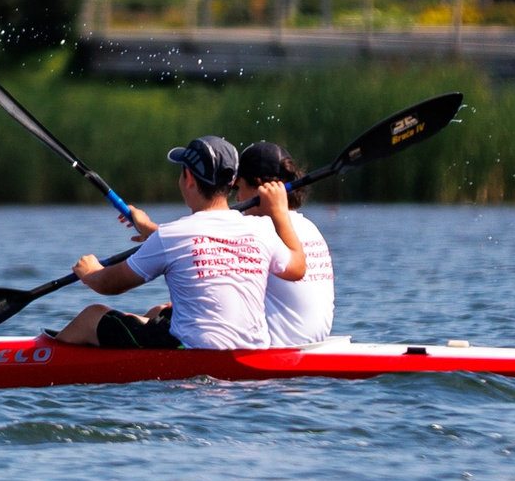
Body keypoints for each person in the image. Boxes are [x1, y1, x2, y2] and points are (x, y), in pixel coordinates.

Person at [48, 134, 305, 351]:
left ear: (189, 178)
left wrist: (90, 273)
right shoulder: (259, 228)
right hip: (252, 350)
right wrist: (280, 214)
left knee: (92, 316)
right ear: (231, 183)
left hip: (191, 351)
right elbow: (297, 268)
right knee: (159, 311)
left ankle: (42, 358)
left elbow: (111, 285)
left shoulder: (172, 234)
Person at [234, 141, 334, 347]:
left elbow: (188, 247)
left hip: (277, 350)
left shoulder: (257, 230)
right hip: (315, 345)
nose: (236, 196)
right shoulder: (309, 227)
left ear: (260, 187)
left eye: (239, 186)